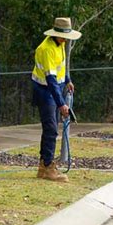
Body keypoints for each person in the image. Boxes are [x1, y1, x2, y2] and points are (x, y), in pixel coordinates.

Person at [32, 17, 82, 182]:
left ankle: (43, 166)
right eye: (64, 36)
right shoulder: (46, 49)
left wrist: (67, 80)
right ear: (57, 34)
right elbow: (51, 80)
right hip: (45, 91)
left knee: (50, 129)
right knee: (51, 129)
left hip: (54, 89)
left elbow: (60, 66)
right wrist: (61, 104)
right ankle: (47, 167)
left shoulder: (59, 44)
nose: (66, 40)